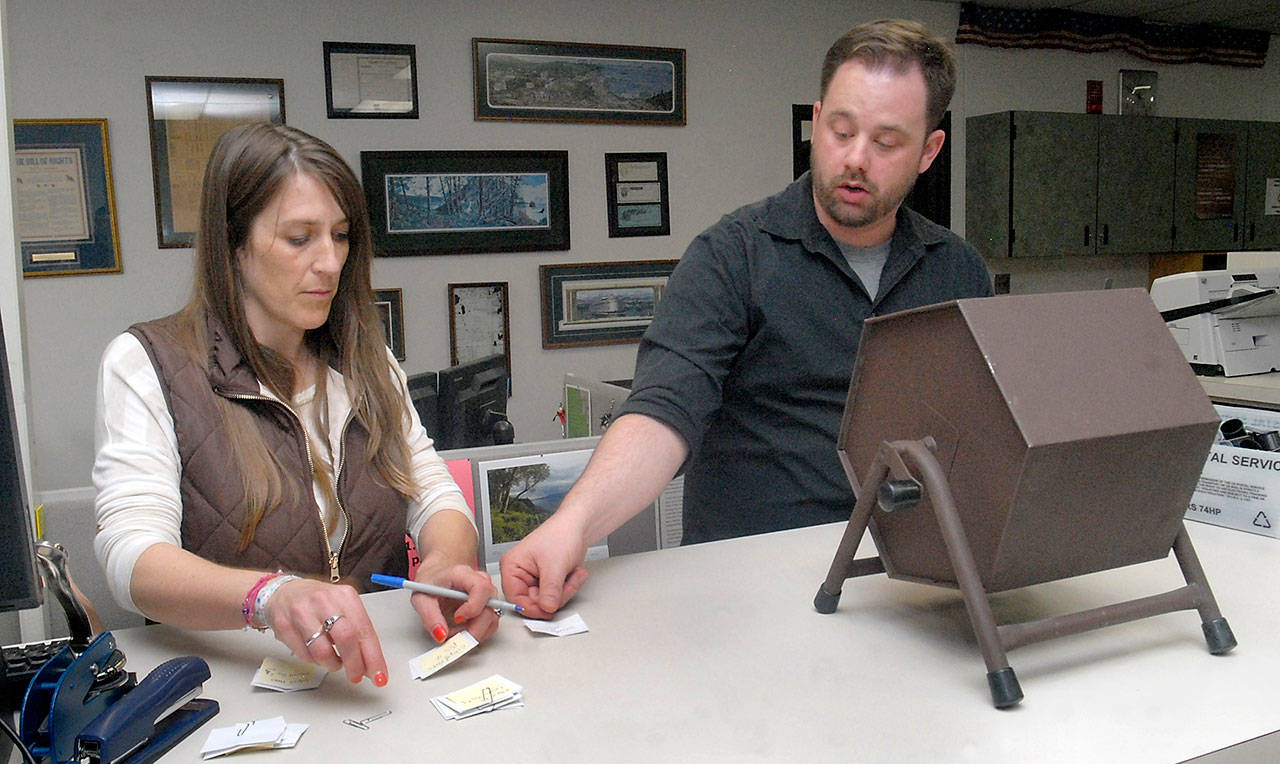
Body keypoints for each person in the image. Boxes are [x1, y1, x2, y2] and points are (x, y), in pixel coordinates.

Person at [501, 19, 992, 617]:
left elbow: (981, 436)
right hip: (752, 581)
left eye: (887, 142)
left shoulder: (959, 271)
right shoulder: (733, 256)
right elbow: (664, 410)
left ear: (929, 151)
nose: (855, 159)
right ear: (817, 121)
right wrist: (571, 525)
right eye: (840, 131)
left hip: (906, 580)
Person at [94, 123, 499, 686]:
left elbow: (430, 491)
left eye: (341, 235)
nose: (330, 262)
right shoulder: (147, 364)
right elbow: (132, 559)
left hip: (359, 682)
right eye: (299, 237)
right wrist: (270, 596)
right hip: (228, 687)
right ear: (234, 244)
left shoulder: (366, 361)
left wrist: (446, 564)